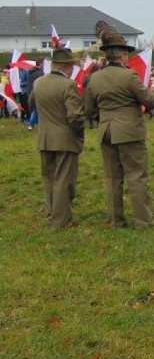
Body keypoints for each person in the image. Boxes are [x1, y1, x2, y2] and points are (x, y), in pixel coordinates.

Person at [84, 32, 154, 228]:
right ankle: (143, 221)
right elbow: (150, 102)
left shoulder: (95, 78)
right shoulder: (129, 76)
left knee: (112, 178)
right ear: (122, 56)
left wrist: (105, 119)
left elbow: (90, 110)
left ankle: (115, 220)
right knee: (136, 177)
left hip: (106, 130)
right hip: (129, 131)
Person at [29, 48, 86, 229]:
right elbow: (75, 116)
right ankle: (61, 221)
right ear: (68, 66)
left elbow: (30, 104)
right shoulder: (67, 85)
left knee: (50, 179)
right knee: (64, 180)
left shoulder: (38, 83)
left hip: (44, 137)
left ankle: (52, 214)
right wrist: (79, 132)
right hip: (65, 139)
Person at [26, 57, 45, 130]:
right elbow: (41, 84)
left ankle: (34, 124)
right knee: (36, 109)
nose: (44, 64)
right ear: (40, 63)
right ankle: (31, 124)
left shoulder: (30, 71)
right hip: (37, 92)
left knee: (34, 108)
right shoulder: (40, 73)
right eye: (43, 63)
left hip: (29, 91)